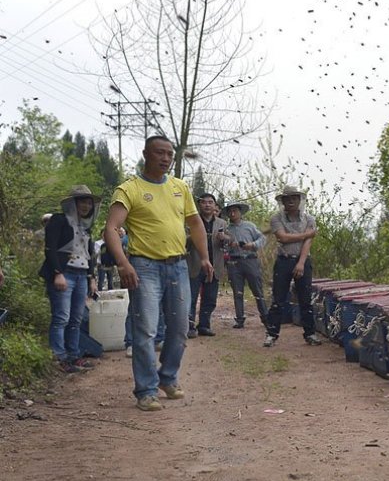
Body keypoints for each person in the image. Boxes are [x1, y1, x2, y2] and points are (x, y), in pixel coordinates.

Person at [103, 135, 214, 411]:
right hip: (144, 267)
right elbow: (111, 229)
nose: (165, 159)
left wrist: (205, 258)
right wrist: (123, 263)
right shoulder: (129, 189)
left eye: (169, 155)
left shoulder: (180, 187)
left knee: (179, 329)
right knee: (146, 330)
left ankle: (168, 377)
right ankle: (146, 390)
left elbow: (196, 224)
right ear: (145, 154)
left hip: (178, 265)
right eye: (159, 153)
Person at [38, 185, 102, 373]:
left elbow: (89, 254)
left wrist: (92, 278)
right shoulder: (59, 220)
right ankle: (59, 357)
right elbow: (50, 248)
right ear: (73, 203)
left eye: (89, 202)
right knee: (61, 317)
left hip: (81, 275)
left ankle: (74, 356)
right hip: (64, 274)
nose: (86, 205)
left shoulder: (85, 227)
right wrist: (58, 272)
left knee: (76, 318)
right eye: (82, 201)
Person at [263, 185, 322, 347]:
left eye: (294, 198)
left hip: (303, 260)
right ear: (282, 201)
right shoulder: (276, 219)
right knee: (278, 299)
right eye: (287, 198)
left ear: (299, 200)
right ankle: (271, 334)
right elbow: (283, 237)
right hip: (283, 260)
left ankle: (310, 334)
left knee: (305, 299)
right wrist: (306, 234)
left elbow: (307, 243)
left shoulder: (309, 219)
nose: (290, 201)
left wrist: (301, 263)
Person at [221, 201, 268, 329]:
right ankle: (239, 319)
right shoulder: (226, 230)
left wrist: (252, 245)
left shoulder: (249, 226)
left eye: (235, 210)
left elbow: (262, 238)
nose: (232, 213)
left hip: (250, 260)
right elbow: (222, 248)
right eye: (230, 211)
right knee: (237, 292)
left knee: (257, 290)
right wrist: (228, 245)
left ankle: (265, 317)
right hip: (234, 262)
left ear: (240, 212)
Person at [186, 193, 226, 337]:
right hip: (195, 264)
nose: (208, 205)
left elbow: (229, 240)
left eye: (211, 202)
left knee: (210, 298)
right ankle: (189, 326)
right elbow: (183, 240)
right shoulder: (190, 222)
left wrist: (224, 238)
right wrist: (196, 236)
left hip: (215, 265)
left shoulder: (221, 223)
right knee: (190, 296)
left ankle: (204, 324)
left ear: (215, 206)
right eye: (204, 202)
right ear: (199, 205)